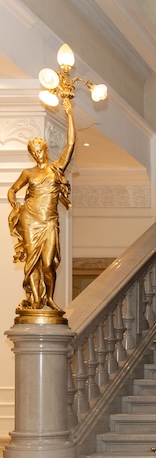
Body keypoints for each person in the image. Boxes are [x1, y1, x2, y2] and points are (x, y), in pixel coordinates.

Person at [8, 99, 74, 311]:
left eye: (39, 150)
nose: (37, 154)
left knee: (47, 263)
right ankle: (36, 300)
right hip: (29, 218)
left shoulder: (56, 168)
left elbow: (70, 145)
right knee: (31, 262)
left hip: (49, 222)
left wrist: (69, 115)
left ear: (45, 150)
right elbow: (12, 189)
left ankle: (50, 298)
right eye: (34, 152)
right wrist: (14, 203)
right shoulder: (28, 173)